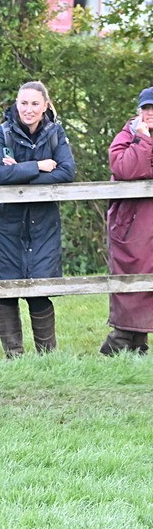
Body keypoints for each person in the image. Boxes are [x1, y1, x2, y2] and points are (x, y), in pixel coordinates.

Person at [0, 81, 75, 358]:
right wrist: (38, 166)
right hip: (5, 226)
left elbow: (67, 172)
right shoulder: (2, 133)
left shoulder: (56, 133)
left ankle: (48, 358)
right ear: (16, 104)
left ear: (45, 105)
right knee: (6, 290)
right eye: (23, 103)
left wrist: (19, 172)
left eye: (34, 103)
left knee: (40, 288)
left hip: (43, 225)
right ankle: (14, 357)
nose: (28, 109)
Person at [100, 86, 153, 355]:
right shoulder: (126, 135)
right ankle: (118, 344)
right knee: (131, 280)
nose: (150, 113)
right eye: (146, 108)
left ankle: (137, 346)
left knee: (148, 283)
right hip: (131, 224)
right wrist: (144, 141)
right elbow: (125, 168)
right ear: (139, 111)